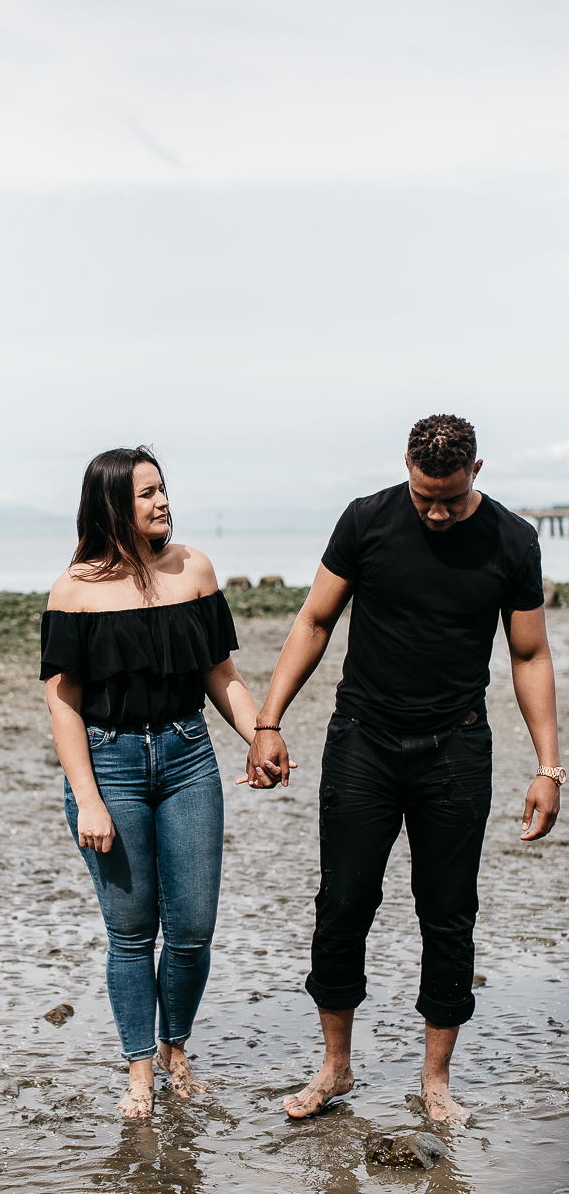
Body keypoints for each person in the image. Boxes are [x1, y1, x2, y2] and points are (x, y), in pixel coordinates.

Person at [247, 414, 563, 1125]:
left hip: (456, 746)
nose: (438, 511)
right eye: (425, 495)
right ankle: (335, 1067)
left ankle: (436, 1079)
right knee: (343, 904)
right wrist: (268, 721)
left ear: (476, 472)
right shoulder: (367, 521)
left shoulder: (513, 540)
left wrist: (550, 766)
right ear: (408, 470)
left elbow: (529, 655)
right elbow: (316, 620)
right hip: (364, 740)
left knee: (448, 914)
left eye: (450, 496)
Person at [41, 446, 281, 1118]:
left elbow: (220, 674)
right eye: (146, 493)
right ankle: (141, 1072)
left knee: (194, 926)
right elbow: (64, 702)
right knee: (131, 930)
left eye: (163, 489)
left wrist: (261, 733)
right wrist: (87, 797)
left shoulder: (193, 570)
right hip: (109, 762)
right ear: (113, 504)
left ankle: (177, 1047)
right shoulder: (74, 589)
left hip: (187, 755)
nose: (163, 502)